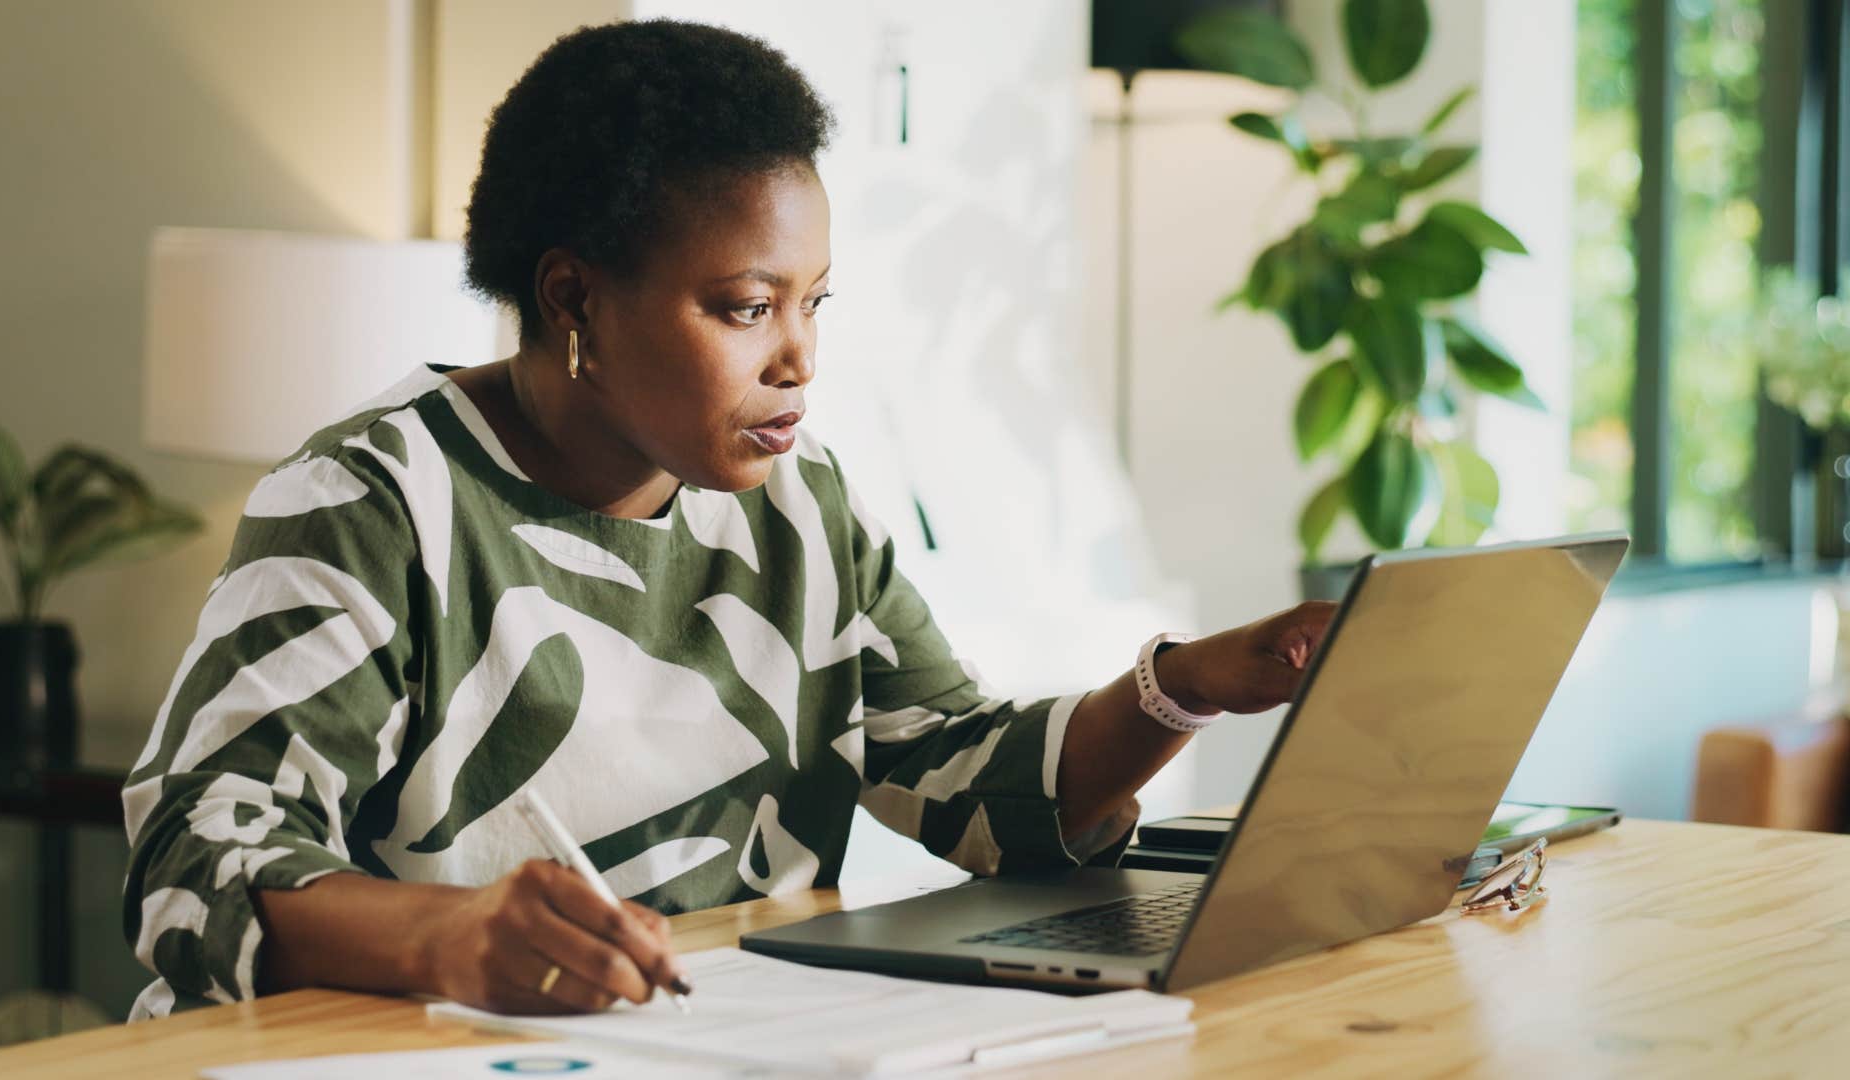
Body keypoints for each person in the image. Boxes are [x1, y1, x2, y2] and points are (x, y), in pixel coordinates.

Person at [121, 19, 1334, 1021]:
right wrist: (446, 938)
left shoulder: (802, 512)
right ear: (573, 297)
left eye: (814, 303)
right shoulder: (373, 504)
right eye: (748, 308)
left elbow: (968, 788)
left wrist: (1186, 685)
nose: (799, 360)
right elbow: (194, 865)